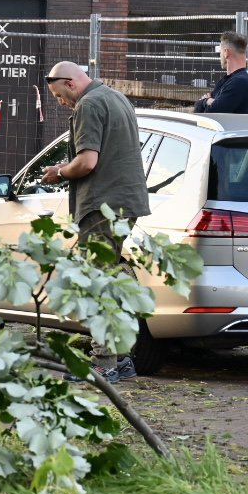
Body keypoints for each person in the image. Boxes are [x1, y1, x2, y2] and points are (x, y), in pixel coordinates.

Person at [39, 60, 153, 384]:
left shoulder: (88, 104)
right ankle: (124, 358)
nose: (62, 103)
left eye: (60, 96)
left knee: (98, 282)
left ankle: (103, 363)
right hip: (124, 203)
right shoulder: (116, 98)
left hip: (102, 206)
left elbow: (88, 162)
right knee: (115, 281)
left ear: (71, 84)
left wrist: (58, 171)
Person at [194, 31, 248, 114]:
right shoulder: (232, 79)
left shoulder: (239, 81)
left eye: (220, 52)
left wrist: (204, 101)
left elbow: (212, 113)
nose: (220, 56)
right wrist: (208, 102)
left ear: (226, 52)